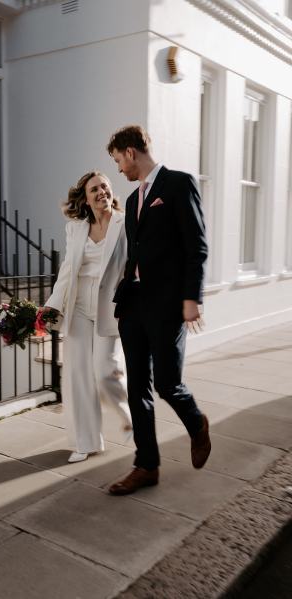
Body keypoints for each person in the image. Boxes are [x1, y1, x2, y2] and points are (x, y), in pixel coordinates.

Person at [106, 125, 211, 495]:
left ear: (130, 152)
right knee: (138, 388)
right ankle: (146, 465)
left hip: (167, 304)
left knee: (168, 383)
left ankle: (197, 424)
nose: (119, 169)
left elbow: (196, 245)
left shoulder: (179, 185)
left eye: (119, 160)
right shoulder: (133, 201)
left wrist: (191, 298)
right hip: (134, 304)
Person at [42, 171, 132, 463]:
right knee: (78, 376)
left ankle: (130, 418)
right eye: (94, 189)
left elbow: (134, 265)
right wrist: (52, 305)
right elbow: (68, 270)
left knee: (105, 370)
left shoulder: (125, 222)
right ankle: (86, 442)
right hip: (79, 308)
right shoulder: (76, 229)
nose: (101, 192)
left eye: (105, 186)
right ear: (85, 197)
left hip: (110, 308)